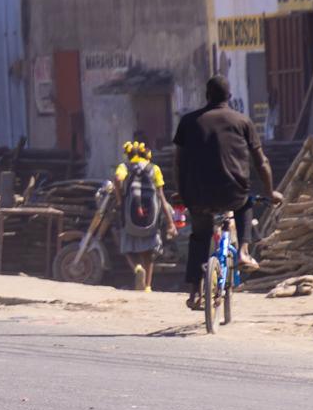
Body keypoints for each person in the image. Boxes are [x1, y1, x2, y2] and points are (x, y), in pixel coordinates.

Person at [173, 73, 273, 308]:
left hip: (196, 194)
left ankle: (194, 291)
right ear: (229, 97)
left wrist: (181, 191)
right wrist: (270, 191)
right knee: (245, 203)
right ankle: (244, 252)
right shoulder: (242, 121)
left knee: (199, 237)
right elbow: (261, 162)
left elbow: (178, 163)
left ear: (207, 96)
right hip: (233, 192)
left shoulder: (188, 122)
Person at [108, 139, 169, 291]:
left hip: (130, 215)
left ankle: (137, 268)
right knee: (149, 252)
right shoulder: (154, 168)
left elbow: (117, 179)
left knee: (127, 246)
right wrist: (170, 222)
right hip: (151, 217)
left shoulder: (125, 166)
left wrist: (120, 197)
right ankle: (148, 286)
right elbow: (161, 195)